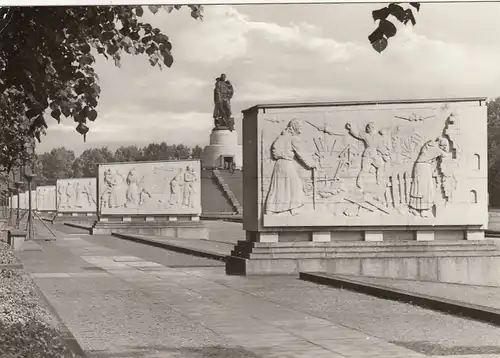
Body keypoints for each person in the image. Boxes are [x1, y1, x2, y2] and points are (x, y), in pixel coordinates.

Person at [265, 118, 316, 216]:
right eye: (299, 126)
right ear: (294, 127)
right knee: (295, 185)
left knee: (278, 187)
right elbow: (302, 155)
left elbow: (274, 152)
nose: (301, 129)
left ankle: (270, 209)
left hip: (278, 165)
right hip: (287, 164)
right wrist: (311, 164)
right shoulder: (294, 139)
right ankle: (294, 208)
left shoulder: (281, 137)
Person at [409, 137, 450, 218]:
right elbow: (445, 154)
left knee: (423, 188)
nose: (443, 148)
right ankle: (419, 208)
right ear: (440, 144)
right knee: (423, 188)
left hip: (423, 167)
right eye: (443, 147)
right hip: (423, 167)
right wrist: (444, 150)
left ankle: (419, 208)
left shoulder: (430, 145)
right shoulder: (433, 147)